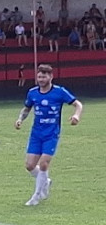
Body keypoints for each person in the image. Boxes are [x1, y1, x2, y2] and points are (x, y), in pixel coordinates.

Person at [15, 64, 83, 206]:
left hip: (51, 134)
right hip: (36, 134)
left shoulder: (59, 92)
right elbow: (27, 108)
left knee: (44, 164)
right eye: (39, 76)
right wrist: (20, 119)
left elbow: (78, 104)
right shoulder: (33, 93)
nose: (41, 79)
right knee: (29, 165)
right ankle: (45, 181)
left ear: (51, 77)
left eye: (44, 76)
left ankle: (36, 196)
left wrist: (76, 116)